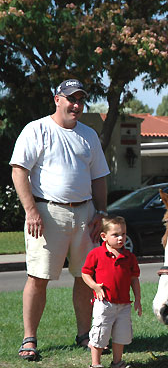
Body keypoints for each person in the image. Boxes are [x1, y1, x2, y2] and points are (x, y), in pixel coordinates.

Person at [10, 79, 110, 361]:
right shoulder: (37, 129)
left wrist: (101, 213)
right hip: (46, 214)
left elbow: (99, 177)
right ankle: (29, 340)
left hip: (85, 214)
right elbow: (19, 171)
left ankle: (84, 335)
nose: (76, 105)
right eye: (71, 99)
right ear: (57, 99)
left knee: (85, 276)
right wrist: (31, 211)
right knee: (38, 277)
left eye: (80, 100)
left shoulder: (89, 135)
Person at [82, 215, 142, 368]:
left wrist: (138, 300)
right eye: (115, 235)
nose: (121, 238)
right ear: (104, 236)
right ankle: (95, 364)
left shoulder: (129, 257)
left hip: (124, 305)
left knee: (121, 336)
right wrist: (95, 286)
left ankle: (117, 362)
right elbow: (85, 273)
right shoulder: (96, 254)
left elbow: (134, 279)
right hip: (104, 303)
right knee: (100, 333)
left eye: (123, 234)